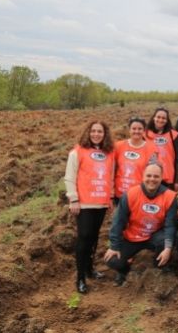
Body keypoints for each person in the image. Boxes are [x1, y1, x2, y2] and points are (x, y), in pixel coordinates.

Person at [104, 163, 178, 286]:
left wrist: (168, 248)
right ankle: (125, 271)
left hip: (154, 235)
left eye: (156, 176)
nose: (152, 179)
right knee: (112, 260)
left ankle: (156, 270)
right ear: (143, 176)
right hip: (132, 236)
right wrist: (114, 246)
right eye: (149, 175)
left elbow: (170, 225)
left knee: (165, 243)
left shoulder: (170, 196)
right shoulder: (131, 194)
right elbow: (118, 221)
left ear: (161, 178)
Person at [64, 120, 115, 293]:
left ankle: (90, 269)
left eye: (100, 131)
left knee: (94, 237)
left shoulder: (109, 154)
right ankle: (80, 278)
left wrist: (109, 197)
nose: (96, 134)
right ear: (88, 132)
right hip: (84, 202)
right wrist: (73, 199)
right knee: (84, 237)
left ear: (105, 134)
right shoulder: (77, 152)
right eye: (93, 131)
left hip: (100, 202)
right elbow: (70, 177)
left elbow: (110, 176)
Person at [114, 117, 158, 201]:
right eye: (134, 129)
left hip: (139, 194)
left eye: (140, 129)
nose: (136, 131)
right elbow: (112, 168)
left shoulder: (151, 148)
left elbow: (153, 171)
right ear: (129, 130)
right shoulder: (118, 146)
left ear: (144, 130)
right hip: (120, 193)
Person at [146, 107, 178, 190]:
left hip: (168, 178)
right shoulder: (145, 134)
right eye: (158, 117)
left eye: (164, 118)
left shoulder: (173, 135)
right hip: (149, 176)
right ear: (154, 118)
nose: (160, 120)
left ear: (167, 120)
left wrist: (177, 180)